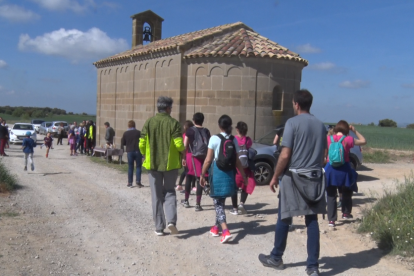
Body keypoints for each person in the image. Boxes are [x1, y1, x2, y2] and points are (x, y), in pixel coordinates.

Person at [258, 89, 327, 276]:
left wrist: (274, 177)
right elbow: (324, 158)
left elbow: (285, 154)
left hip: (294, 178)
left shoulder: (292, 123)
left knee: (284, 216)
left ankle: (276, 257)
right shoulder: (321, 125)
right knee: (311, 220)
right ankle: (313, 267)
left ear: (296, 104)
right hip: (314, 178)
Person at [139, 96, 185, 236]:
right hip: (170, 165)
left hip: (152, 165)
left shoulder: (149, 122)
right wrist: (183, 152)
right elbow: (178, 144)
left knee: (156, 195)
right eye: (171, 108)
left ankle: (159, 227)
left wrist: (144, 154)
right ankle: (171, 220)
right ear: (167, 108)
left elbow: (141, 143)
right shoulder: (174, 123)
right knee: (170, 191)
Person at [200, 115, 247, 244]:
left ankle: (225, 231)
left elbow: (208, 159)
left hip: (217, 173)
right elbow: (237, 161)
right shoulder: (234, 140)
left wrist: (202, 174)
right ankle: (216, 228)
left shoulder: (214, 139)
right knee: (221, 201)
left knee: (218, 202)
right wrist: (243, 176)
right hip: (229, 174)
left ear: (220, 125)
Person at [325, 120, 366, 227]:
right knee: (347, 189)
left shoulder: (328, 139)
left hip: (330, 169)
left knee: (330, 194)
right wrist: (355, 131)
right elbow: (363, 141)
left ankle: (331, 220)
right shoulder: (348, 139)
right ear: (347, 130)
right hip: (344, 169)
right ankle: (346, 212)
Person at [181, 113, 211, 211]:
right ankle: (198, 204)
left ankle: (186, 201)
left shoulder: (190, 131)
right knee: (200, 179)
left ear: (194, 120)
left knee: (189, 178)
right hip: (202, 158)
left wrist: (183, 157)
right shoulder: (206, 131)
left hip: (191, 156)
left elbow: (185, 145)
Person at [230, 121, 256, 215]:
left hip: (236, 168)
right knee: (245, 186)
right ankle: (241, 204)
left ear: (237, 129)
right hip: (246, 168)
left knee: (234, 188)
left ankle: (235, 208)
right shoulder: (248, 140)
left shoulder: (233, 139)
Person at [121, 120, 143, 188]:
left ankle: (130, 183)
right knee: (138, 167)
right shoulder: (139, 132)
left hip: (129, 151)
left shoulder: (126, 133)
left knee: (130, 167)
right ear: (134, 125)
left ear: (128, 126)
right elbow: (142, 141)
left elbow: (123, 142)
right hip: (137, 150)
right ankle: (138, 181)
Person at [176, 120, 194, 192]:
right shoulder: (190, 134)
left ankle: (180, 185)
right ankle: (187, 186)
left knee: (186, 171)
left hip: (185, 154)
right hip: (188, 154)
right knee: (188, 171)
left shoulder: (183, 134)